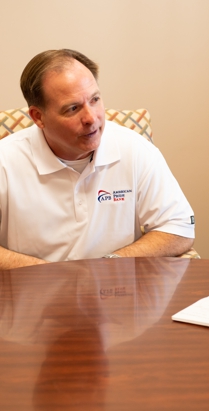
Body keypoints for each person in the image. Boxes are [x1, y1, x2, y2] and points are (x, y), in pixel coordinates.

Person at [0, 49, 195, 269]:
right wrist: (49, 274)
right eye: (73, 108)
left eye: (95, 100)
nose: (92, 118)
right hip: (30, 294)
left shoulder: (135, 149)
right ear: (38, 117)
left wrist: (109, 264)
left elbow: (179, 228)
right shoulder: (5, 161)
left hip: (114, 291)